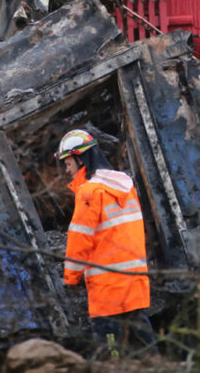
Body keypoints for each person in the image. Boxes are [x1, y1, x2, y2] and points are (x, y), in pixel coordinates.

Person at [57, 129, 154, 353]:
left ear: (81, 158)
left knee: (109, 340)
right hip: (134, 277)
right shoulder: (124, 187)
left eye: (68, 161)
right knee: (140, 332)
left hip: (107, 283)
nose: (66, 168)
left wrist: (71, 279)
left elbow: (79, 238)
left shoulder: (90, 192)